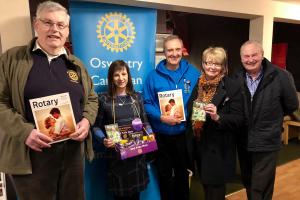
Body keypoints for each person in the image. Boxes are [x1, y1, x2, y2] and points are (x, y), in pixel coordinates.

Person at [0, 1, 98, 200]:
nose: (55, 29)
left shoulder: (76, 64)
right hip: (31, 155)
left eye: (61, 25)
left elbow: (92, 99)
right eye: (48, 23)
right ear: (36, 25)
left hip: (72, 155)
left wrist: (87, 121)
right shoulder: (12, 59)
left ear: (67, 31)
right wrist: (24, 132)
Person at [235, 40, 298, 200]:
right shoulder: (237, 76)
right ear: (241, 58)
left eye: (254, 55)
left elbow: (291, 104)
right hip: (244, 140)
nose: (250, 59)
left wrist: (272, 117)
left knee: (261, 185)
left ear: (262, 55)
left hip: (267, 139)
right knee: (248, 181)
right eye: (246, 56)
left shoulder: (281, 75)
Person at [143, 35, 200, 200]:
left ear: (182, 50)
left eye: (177, 49)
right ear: (164, 52)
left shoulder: (194, 73)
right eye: (170, 50)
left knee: (183, 173)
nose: (174, 54)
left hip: (184, 134)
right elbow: (146, 103)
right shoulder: (153, 76)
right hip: (162, 135)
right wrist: (161, 117)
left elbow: (200, 100)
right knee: (164, 174)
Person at [186, 47, 244, 200]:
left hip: (218, 147)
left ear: (223, 66)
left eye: (216, 64)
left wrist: (218, 116)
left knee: (216, 190)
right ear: (203, 64)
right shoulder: (199, 83)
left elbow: (239, 118)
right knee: (206, 185)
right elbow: (191, 109)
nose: (211, 67)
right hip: (200, 143)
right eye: (208, 63)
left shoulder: (232, 86)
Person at [93, 60, 150, 200]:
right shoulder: (104, 99)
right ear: (111, 78)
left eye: (124, 74)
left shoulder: (137, 97)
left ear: (128, 76)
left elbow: (146, 123)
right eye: (116, 75)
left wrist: (150, 135)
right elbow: (95, 127)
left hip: (137, 156)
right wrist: (103, 139)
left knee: (136, 196)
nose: (121, 78)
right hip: (117, 157)